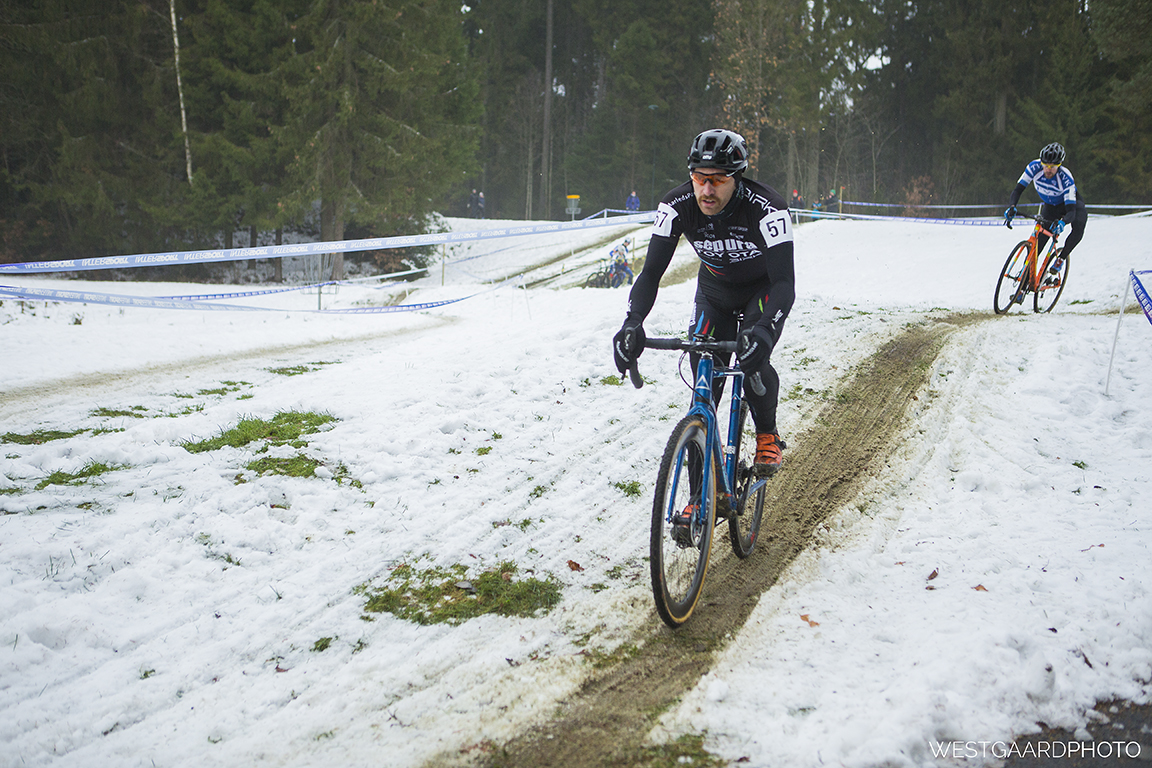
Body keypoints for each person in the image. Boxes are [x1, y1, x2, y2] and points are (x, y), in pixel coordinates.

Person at [612, 128, 796, 478]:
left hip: (762, 292)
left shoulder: (768, 208)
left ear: (737, 178)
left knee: (753, 360)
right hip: (715, 293)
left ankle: (767, 433)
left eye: (718, 180)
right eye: (699, 178)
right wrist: (632, 321)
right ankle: (698, 498)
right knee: (704, 390)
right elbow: (650, 274)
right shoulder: (676, 205)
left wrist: (765, 331)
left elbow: (785, 283)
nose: (707, 190)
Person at [1004, 142, 1086, 262]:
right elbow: (1018, 190)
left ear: (1059, 165)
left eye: (1052, 167)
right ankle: (1026, 273)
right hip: (1051, 206)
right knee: (1038, 244)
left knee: (1078, 227)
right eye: (1045, 166)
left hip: (1071, 205)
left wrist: (1063, 222)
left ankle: (1061, 259)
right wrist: (1012, 206)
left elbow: (1071, 212)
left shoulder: (1065, 178)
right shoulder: (1033, 167)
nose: (1048, 169)